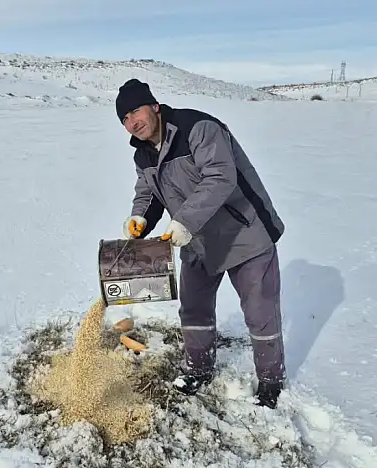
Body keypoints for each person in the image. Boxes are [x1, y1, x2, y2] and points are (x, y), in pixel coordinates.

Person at [116, 78, 286, 409]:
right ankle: (198, 368)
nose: (132, 122)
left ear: (154, 106)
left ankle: (270, 379)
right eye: (124, 118)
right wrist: (140, 218)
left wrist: (184, 222)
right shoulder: (143, 155)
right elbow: (148, 193)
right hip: (195, 238)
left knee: (260, 311)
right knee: (193, 308)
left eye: (136, 111)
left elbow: (221, 177)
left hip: (243, 232)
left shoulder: (197, 128)